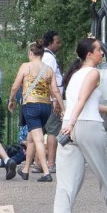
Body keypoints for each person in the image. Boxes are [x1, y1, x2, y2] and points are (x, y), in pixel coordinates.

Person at [52, 38, 107, 213]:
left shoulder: (75, 75)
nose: (102, 53)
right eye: (99, 50)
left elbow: (81, 101)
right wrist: (74, 123)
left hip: (68, 126)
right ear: (89, 54)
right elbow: (83, 101)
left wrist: (69, 123)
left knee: (67, 177)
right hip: (86, 125)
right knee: (105, 172)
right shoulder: (93, 73)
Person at [8, 39, 63, 181]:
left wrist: (11, 100)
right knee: (31, 137)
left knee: (37, 138)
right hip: (46, 107)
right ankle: (25, 169)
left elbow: (15, 86)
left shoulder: (26, 66)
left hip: (30, 105)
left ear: (31, 53)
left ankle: (46, 173)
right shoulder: (48, 69)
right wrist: (62, 108)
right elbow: (55, 91)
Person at [42, 31, 63, 173]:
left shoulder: (45, 56)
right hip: (52, 98)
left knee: (39, 132)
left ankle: (40, 162)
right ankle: (50, 163)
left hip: (47, 97)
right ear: (50, 43)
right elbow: (47, 78)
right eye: (57, 42)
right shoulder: (49, 58)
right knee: (53, 130)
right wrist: (55, 98)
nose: (59, 45)